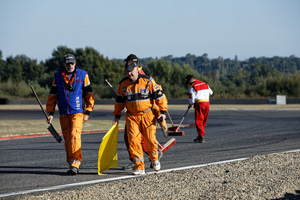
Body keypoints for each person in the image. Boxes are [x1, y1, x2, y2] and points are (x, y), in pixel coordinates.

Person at [113, 54, 168, 175]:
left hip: (147, 115)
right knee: (133, 141)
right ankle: (139, 167)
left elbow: (159, 97)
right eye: (127, 71)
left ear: (136, 68)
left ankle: (154, 159)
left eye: (131, 71)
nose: (129, 74)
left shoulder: (148, 81)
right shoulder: (123, 84)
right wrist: (117, 115)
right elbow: (119, 102)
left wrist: (163, 112)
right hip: (132, 116)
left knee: (150, 140)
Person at [46, 54, 94, 175]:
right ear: (64, 64)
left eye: (72, 63)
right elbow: (52, 96)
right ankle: (71, 162)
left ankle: (76, 163)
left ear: (75, 63)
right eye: (68, 63)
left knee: (74, 135)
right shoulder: (57, 76)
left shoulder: (83, 75)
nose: (70, 66)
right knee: (68, 138)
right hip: (63, 113)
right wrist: (50, 112)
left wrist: (88, 111)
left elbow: (89, 94)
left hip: (77, 112)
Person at [186, 74, 213, 143]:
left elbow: (191, 96)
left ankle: (201, 137)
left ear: (191, 80)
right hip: (207, 103)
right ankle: (200, 135)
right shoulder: (205, 83)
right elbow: (211, 92)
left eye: (188, 82)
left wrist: (190, 104)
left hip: (200, 103)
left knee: (198, 120)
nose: (189, 84)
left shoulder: (193, 86)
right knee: (203, 120)